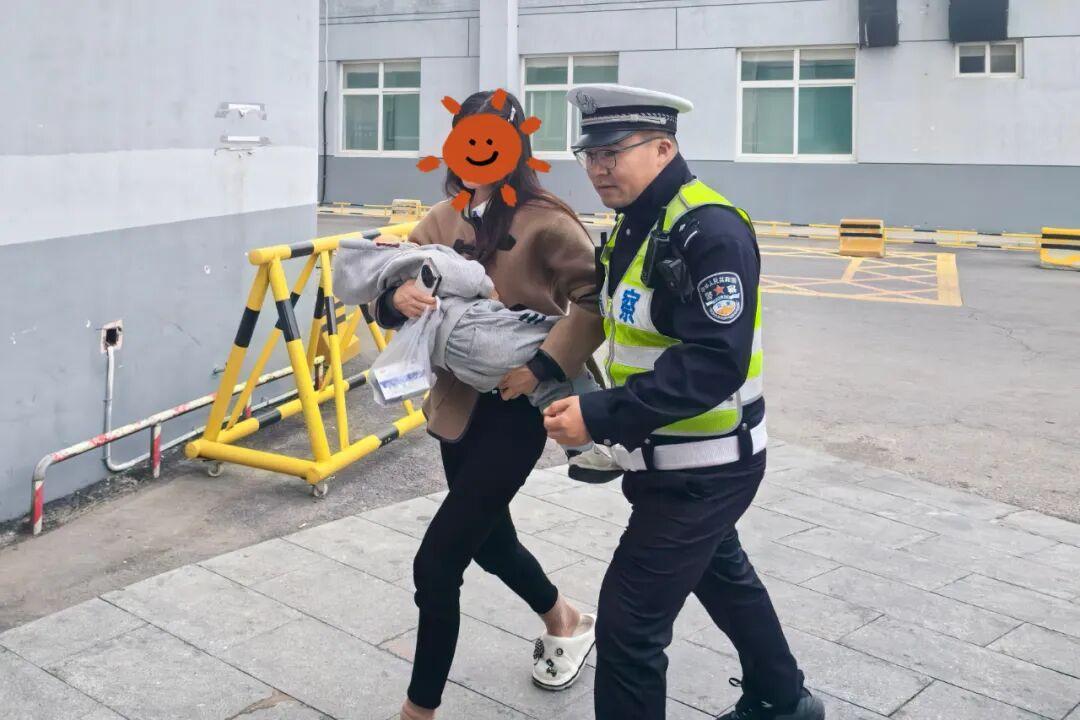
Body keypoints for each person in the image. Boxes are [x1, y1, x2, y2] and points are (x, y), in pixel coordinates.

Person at [544, 84, 825, 720]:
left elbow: (715, 362)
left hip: (706, 468)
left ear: (664, 148)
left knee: (629, 625)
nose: (598, 168)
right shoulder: (637, 223)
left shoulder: (710, 231)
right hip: (666, 457)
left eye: (614, 152)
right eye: (590, 155)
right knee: (723, 575)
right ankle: (783, 700)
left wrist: (600, 415)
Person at [372, 89, 606, 720]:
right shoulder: (441, 219)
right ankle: (565, 618)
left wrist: (541, 368)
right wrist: (396, 301)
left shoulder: (547, 221)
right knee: (490, 541)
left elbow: (594, 299)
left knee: (437, 563)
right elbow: (389, 283)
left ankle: (418, 710)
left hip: (516, 412)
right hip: (456, 408)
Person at [332, 236, 621, 480]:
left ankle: (584, 449)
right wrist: (395, 299)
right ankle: (600, 428)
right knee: (553, 344)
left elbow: (589, 296)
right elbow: (466, 278)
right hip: (475, 355)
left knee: (485, 529)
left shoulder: (547, 218)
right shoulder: (419, 250)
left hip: (469, 371)